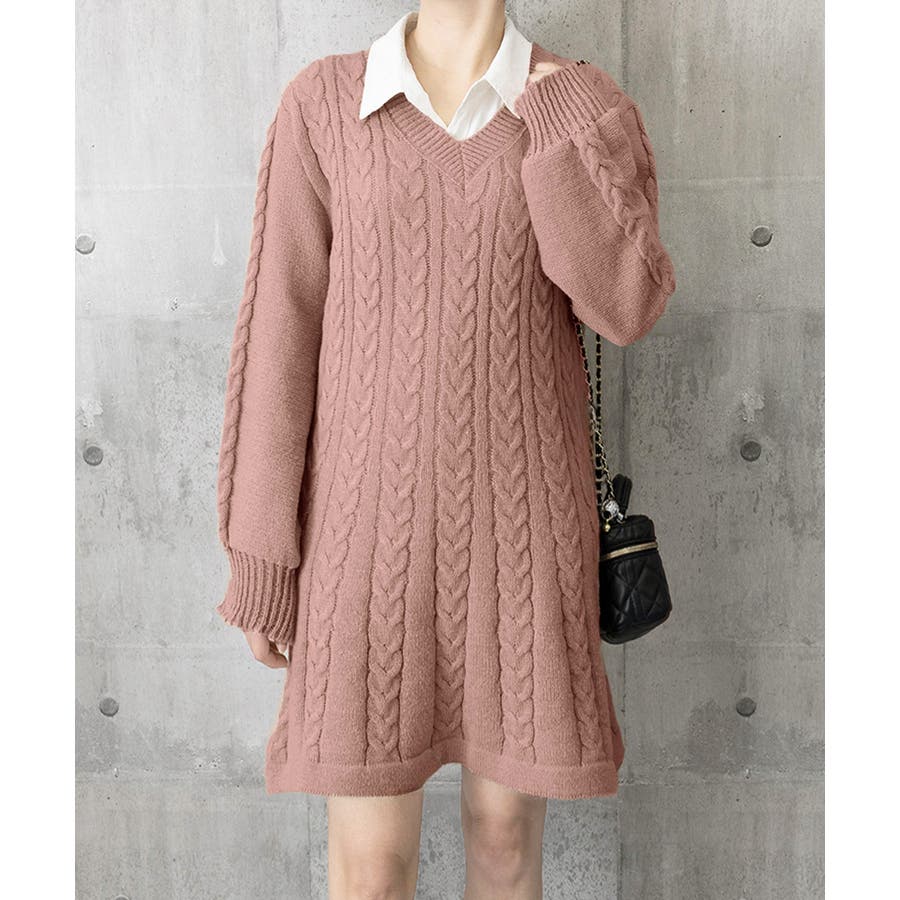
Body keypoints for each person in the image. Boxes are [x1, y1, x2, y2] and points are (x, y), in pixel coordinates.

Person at [214, 1, 676, 896]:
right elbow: (280, 333)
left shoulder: (579, 100)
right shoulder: (324, 103)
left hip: (523, 544)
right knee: (371, 870)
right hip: (363, 548)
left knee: (505, 847)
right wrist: (263, 557)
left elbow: (626, 306)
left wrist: (560, 124)